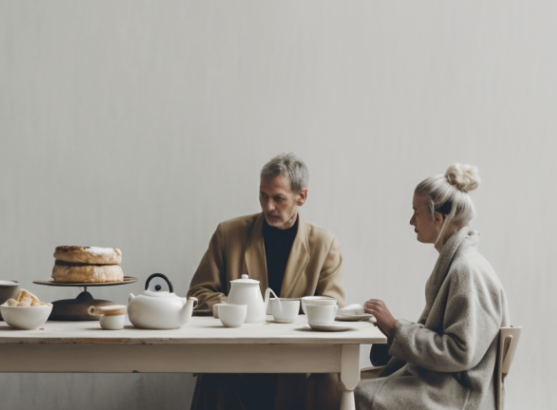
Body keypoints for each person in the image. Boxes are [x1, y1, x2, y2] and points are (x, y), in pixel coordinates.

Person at [187, 153, 345, 410]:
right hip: (237, 356)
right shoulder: (229, 234)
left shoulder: (325, 244)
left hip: (296, 360)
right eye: (263, 195)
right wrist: (235, 307)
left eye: (278, 198)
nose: (268, 206)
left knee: (327, 379)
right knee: (214, 375)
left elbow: (332, 305)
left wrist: (281, 311)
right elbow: (198, 293)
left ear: (301, 197)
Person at [357, 163, 509, 410]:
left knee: (353, 395)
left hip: (458, 395)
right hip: (443, 384)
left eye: (416, 212)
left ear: (437, 218)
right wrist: (393, 332)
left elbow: (460, 351)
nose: (410, 221)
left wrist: (396, 328)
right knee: (344, 385)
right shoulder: (458, 265)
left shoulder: (466, 271)